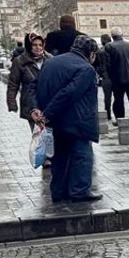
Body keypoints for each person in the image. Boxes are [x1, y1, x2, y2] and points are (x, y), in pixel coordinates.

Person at [33, 35, 102, 204]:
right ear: (91, 54)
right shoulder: (86, 69)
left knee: (60, 156)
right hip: (76, 120)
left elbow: (34, 86)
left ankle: (58, 191)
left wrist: (38, 110)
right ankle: (79, 191)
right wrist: (47, 113)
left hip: (55, 122)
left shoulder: (51, 62)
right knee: (82, 155)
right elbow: (69, 93)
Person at [7, 33, 52, 128]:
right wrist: (12, 103)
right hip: (30, 102)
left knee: (51, 135)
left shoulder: (51, 59)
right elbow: (13, 83)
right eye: (34, 45)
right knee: (37, 135)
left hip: (48, 102)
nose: (38, 47)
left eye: (40, 45)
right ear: (29, 45)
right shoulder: (19, 61)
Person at [104, 28, 129, 124]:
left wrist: (110, 77)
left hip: (117, 79)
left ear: (112, 36)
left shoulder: (109, 46)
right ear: (122, 34)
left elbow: (108, 65)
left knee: (118, 101)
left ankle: (121, 121)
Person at [95, 34, 115, 121]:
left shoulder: (100, 51)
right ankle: (117, 113)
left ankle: (108, 114)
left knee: (107, 97)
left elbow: (97, 64)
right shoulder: (114, 49)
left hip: (105, 76)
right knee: (118, 96)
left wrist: (100, 72)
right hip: (115, 76)